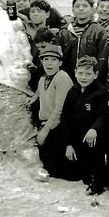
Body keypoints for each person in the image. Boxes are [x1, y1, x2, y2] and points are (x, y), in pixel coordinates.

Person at [62, 56, 109, 195]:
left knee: (95, 157)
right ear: (75, 72)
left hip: (94, 137)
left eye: (88, 74)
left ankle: (98, 181)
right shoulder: (73, 91)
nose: (84, 77)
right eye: (80, 73)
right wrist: (68, 144)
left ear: (95, 74)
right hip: (77, 137)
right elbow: (65, 118)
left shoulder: (101, 92)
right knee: (74, 172)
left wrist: (94, 129)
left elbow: (104, 116)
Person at [30, 45, 74, 179]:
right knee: (47, 166)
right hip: (47, 124)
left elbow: (60, 108)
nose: (49, 63)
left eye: (53, 60)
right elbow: (38, 94)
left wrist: (45, 131)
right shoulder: (43, 78)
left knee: (63, 173)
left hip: (60, 128)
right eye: (46, 59)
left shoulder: (62, 77)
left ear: (60, 63)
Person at [56, 0, 109, 83]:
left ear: (92, 9)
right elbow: (59, 57)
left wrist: (96, 78)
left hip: (90, 78)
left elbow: (102, 58)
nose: (81, 8)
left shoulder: (99, 31)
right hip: (68, 78)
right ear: (72, 10)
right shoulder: (64, 31)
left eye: (85, 6)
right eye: (77, 6)